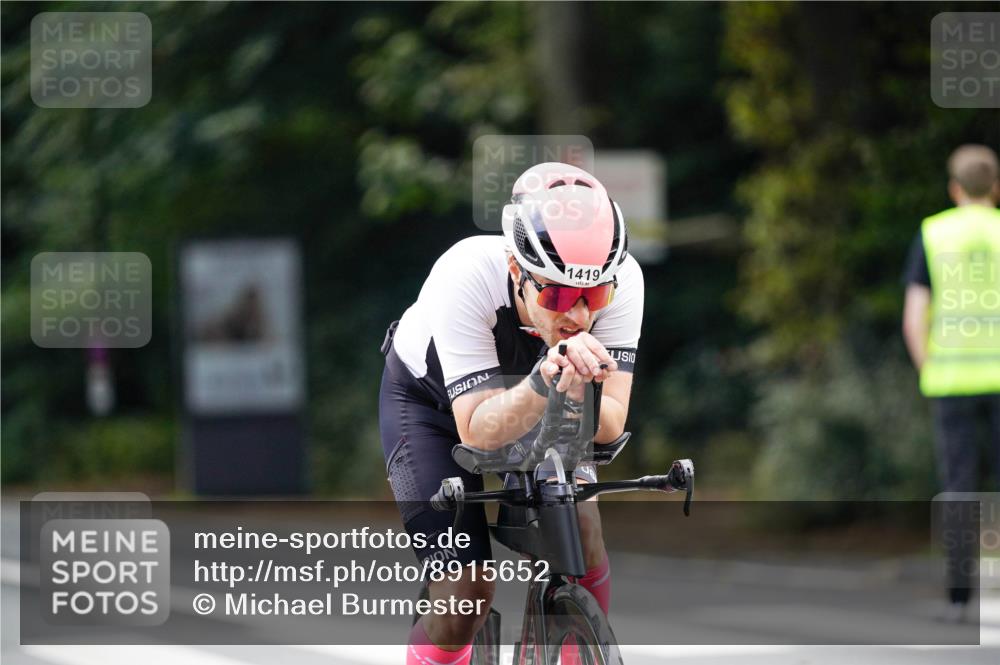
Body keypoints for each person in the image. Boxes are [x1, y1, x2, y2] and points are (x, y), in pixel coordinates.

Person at [379, 162, 642, 664]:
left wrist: (570, 382)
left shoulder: (625, 278)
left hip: (550, 394)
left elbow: (609, 424)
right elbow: (478, 433)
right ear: (518, 271)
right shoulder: (466, 273)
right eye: (558, 294)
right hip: (432, 409)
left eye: (593, 296)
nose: (579, 315)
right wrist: (548, 376)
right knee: (466, 595)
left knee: (584, 532)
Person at [902, 144, 1000, 621]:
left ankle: (961, 599)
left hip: (951, 379)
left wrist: (929, 369)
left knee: (960, 488)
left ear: (955, 188)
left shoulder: (933, 233)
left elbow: (914, 318)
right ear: (996, 187)